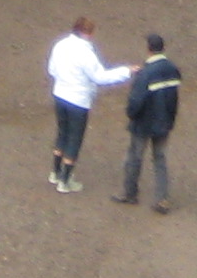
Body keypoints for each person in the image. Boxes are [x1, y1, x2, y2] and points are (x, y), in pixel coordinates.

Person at [43, 15, 132, 194]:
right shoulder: (86, 54)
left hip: (60, 95)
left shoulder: (60, 45)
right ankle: (65, 181)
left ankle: (55, 172)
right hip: (78, 101)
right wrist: (126, 71)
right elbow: (100, 77)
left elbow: (52, 69)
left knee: (62, 134)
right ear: (87, 33)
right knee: (74, 139)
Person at [117, 33, 180, 213]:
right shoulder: (172, 69)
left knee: (135, 157)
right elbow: (174, 99)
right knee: (160, 159)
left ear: (149, 49)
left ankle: (130, 193)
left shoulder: (145, 73)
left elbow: (136, 101)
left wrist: (131, 115)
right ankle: (162, 199)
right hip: (164, 122)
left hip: (143, 124)